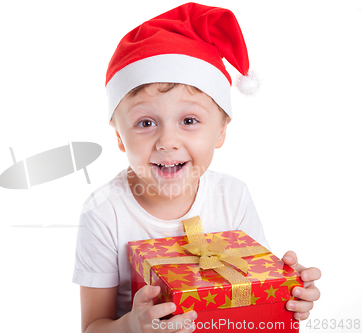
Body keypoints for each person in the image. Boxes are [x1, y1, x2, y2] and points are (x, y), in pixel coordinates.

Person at [72, 3, 321, 333]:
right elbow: (92, 327)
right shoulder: (104, 212)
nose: (167, 141)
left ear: (220, 132)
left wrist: (289, 293)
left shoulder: (232, 196)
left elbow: (251, 292)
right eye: (145, 122)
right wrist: (131, 326)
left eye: (189, 120)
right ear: (120, 137)